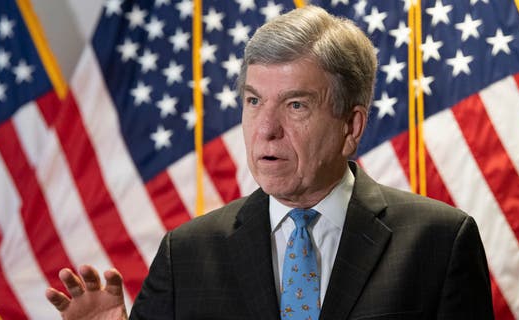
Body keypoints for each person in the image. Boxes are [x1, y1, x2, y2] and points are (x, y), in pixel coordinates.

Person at [46, 5, 494, 319]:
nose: (266, 128)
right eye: (254, 101)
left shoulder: (439, 242)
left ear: (351, 127)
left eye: (296, 105)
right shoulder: (186, 255)